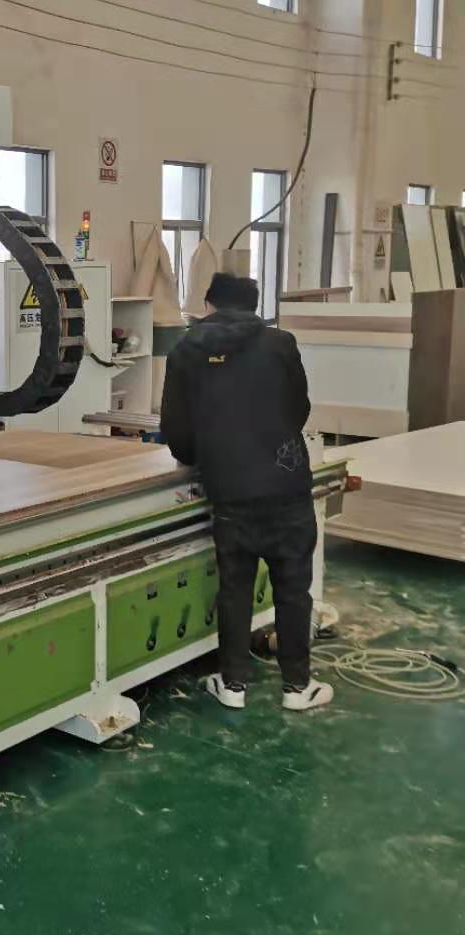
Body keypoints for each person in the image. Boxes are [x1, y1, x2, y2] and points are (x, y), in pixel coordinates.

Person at [160, 272, 333, 713]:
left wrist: (209, 453)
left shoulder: (185, 350)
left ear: (208, 304)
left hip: (229, 489)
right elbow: (299, 409)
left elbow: (176, 433)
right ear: (254, 306)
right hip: (286, 484)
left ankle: (233, 684)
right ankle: (297, 687)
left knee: (235, 588)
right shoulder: (281, 344)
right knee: (293, 588)